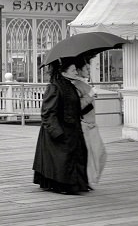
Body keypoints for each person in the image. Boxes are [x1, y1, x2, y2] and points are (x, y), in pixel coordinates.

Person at [33, 57, 90, 194]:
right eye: (73, 69)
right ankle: (65, 185)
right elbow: (47, 113)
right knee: (63, 159)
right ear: (63, 71)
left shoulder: (69, 85)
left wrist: (88, 104)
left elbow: (74, 108)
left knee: (78, 155)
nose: (76, 72)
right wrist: (57, 133)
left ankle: (76, 184)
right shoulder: (54, 87)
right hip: (60, 131)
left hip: (72, 129)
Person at [65, 60, 107, 186]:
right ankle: (87, 181)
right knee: (91, 155)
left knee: (99, 153)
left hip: (91, 123)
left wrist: (91, 95)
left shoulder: (83, 83)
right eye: (86, 69)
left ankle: (89, 180)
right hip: (84, 125)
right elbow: (77, 106)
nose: (89, 71)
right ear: (79, 70)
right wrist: (90, 95)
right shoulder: (76, 85)